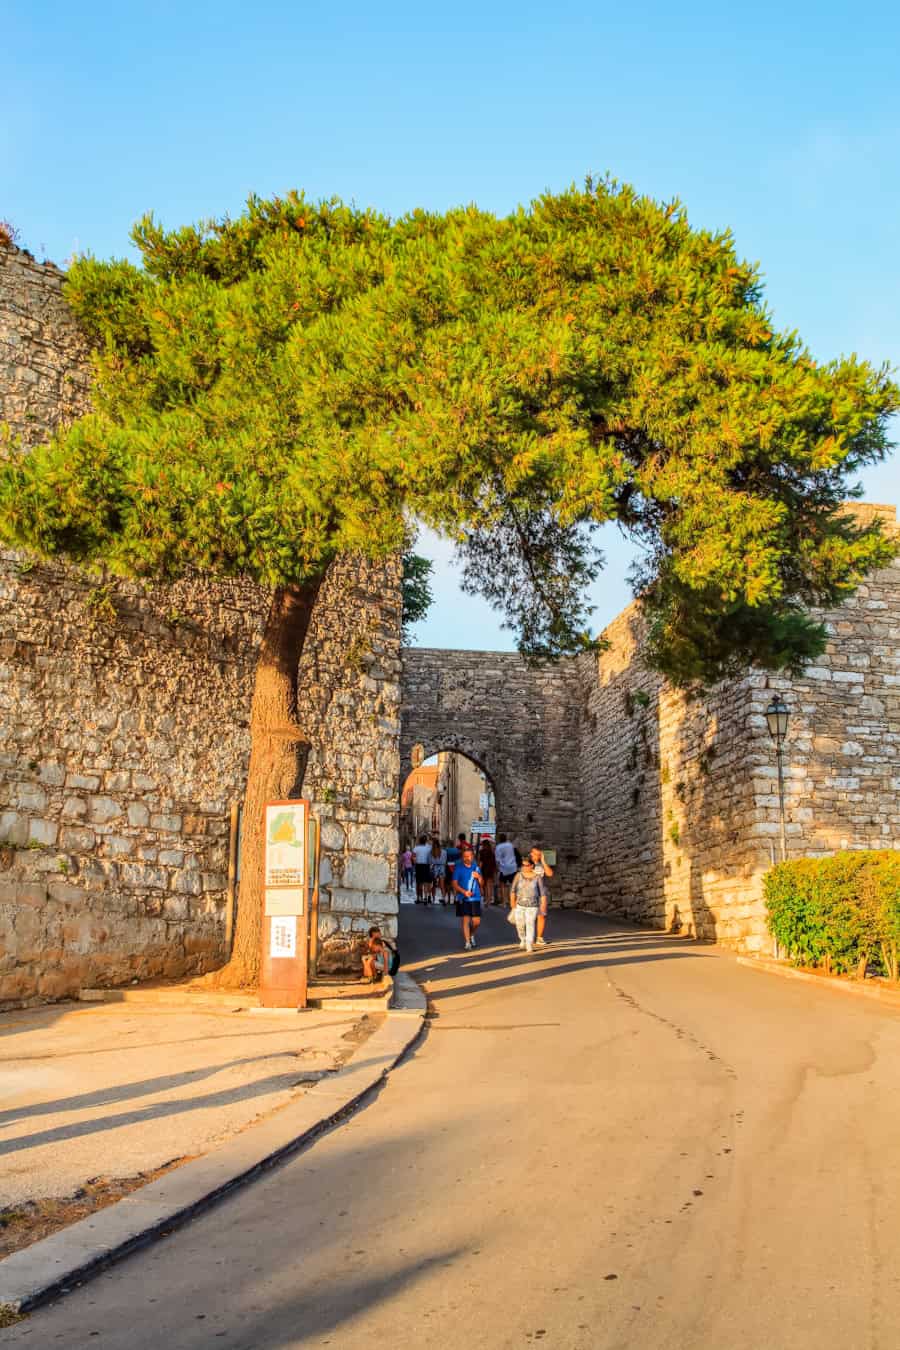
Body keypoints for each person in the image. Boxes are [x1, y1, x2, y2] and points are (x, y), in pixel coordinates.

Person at [510, 857, 547, 954]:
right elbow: (513, 890)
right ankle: (522, 939)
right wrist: (512, 903)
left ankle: (529, 943)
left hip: (533, 905)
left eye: (526, 865)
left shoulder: (537, 877)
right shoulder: (518, 875)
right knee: (520, 924)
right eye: (522, 865)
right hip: (520, 904)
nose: (524, 867)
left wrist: (543, 905)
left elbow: (542, 893)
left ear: (532, 866)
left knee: (530, 923)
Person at [452, 842, 483, 950]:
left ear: (473, 856)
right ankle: (467, 942)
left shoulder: (476, 867)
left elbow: (482, 883)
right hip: (464, 898)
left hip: (475, 897)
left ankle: (471, 934)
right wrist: (464, 892)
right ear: (462, 857)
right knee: (466, 920)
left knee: (476, 921)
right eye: (465, 856)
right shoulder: (458, 868)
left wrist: (479, 877)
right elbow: (454, 884)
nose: (467, 858)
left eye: (469, 856)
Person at [529, 846, 555, 946]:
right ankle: (528, 937)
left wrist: (543, 861)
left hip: (541, 893)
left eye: (538, 854)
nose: (535, 856)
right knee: (529, 917)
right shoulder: (527, 864)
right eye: (534, 853)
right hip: (529, 894)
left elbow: (550, 873)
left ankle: (539, 938)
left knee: (542, 916)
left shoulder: (541, 865)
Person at [494, 833, 517, 905]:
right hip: (513, 867)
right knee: (512, 885)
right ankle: (511, 901)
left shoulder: (498, 847)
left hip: (503, 868)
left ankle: (504, 901)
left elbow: (497, 860)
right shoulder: (510, 845)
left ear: (500, 839)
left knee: (502, 885)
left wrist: (497, 868)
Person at [412, 834, 432, 903]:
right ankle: (426, 897)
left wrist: (415, 863)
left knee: (418, 882)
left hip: (419, 866)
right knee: (426, 882)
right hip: (426, 866)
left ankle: (418, 898)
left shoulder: (416, 848)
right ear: (426, 841)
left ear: (419, 841)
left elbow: (413, 857)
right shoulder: (429, 848)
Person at [429, 837, 448, 904]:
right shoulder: (444, 852)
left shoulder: (431, 852)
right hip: (442, 868)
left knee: (433, 885)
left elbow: (430, 861)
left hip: (434, 868)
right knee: (442, 885)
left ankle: (433, 899)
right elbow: (445, 861)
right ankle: (443, 898)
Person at [478, 835, 496, 904]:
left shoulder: (482, 852)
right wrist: (495, 870)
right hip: (490, 869)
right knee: (489, 885)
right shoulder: (491, 852)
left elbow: (481, 862)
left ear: (483, 845)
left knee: (484, 884)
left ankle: (485, 898)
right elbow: (494, 862)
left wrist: (479, 870)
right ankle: (489, 899)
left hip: (484, 869)